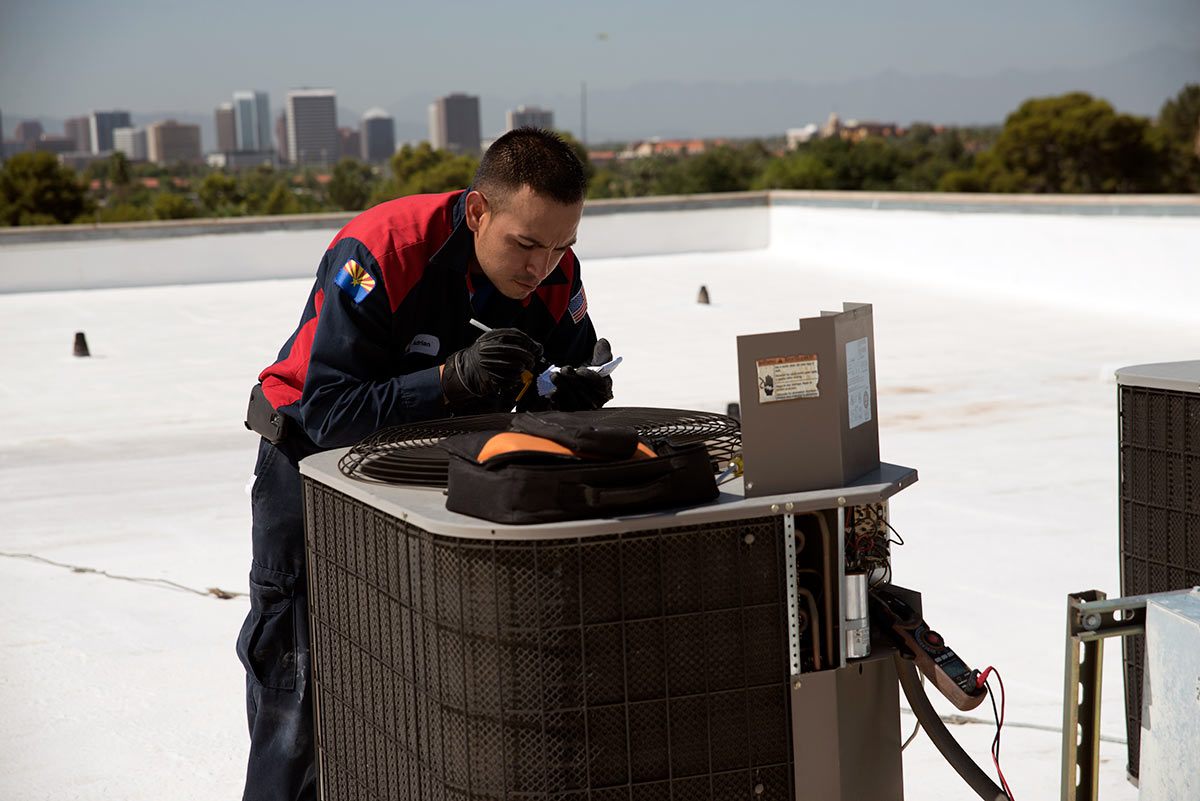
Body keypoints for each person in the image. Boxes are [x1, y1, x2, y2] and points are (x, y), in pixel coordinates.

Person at [237, 127, 612, 801]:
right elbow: (326, 410)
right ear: (477, 212)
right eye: (525, 244)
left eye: (561, 246)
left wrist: (572, 389)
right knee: (300, 693)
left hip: (427, 477)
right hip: (305, 469)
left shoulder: (556, 273)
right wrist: (449, 380)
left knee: (411, 689)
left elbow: (565, 360)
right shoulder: (382, 251)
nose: (541, 267)